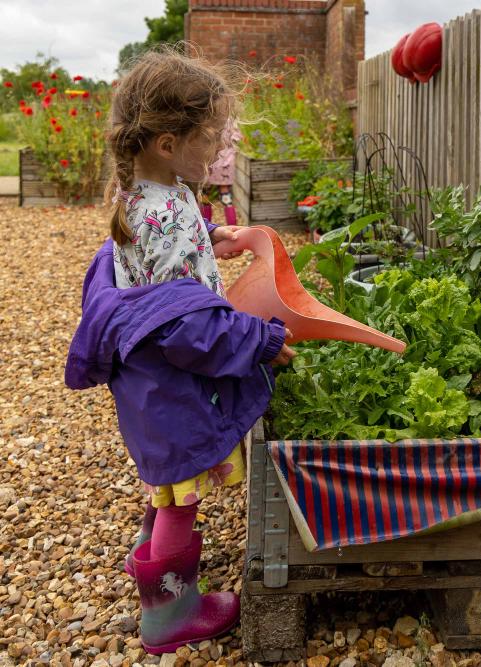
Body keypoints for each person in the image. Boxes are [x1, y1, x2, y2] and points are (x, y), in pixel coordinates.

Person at [64, 48, 296, 655]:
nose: (219, 152)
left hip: (147, 384)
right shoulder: (165, 209)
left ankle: (147, 560)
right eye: (210, 139)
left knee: (168, 485)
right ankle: (168, 611)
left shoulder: (150, 190)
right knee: (181, 495)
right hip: (171, 382)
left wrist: (211, 237)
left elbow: (167, 246)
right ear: (168, 143)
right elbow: (186, 333)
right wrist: (262, 342)